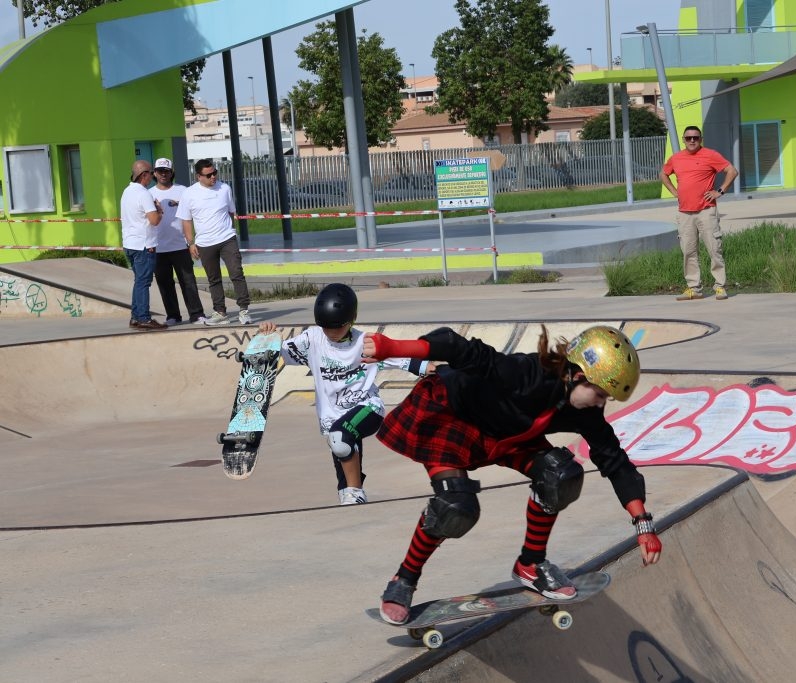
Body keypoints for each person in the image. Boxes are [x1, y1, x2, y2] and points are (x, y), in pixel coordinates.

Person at [365, 324, 662, 625]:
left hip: (509, 435)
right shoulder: (525, 374)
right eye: (599, 394)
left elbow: (615, 460)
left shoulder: (584, 410)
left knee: (560, 475)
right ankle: (404, 579)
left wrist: (643, 525)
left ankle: (530, 563)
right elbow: (458, 347)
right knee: (456, 507)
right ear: (577, 375)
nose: (600, 404)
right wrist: (391, 347)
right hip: (452, 418)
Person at [256, 284, 432, 505]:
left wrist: (434, 368)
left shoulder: (366, 343)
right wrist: (267, 337)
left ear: (351, 320)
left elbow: (404, 359)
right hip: (332, 419)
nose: (330, 332)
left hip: (368, 408)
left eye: (337, 327)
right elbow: (280, 351)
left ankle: (355, 490)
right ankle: (353, 494)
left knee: (340, 439)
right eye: (326, 327)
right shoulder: (312, 339)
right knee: (342, 465)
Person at [660, 125, 738, 302]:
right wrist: (674, 192)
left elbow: (732, 171)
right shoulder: (676, 158)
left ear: (701, 139)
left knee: (714, 249)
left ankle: (720, 287)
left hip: (706, 210)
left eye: (695, 137)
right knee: (688, 251)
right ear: (683, 140)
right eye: (688, 138)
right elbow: (663, 175)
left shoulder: (710, 155)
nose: (692, 140)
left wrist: (720, 190)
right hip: (685, 213)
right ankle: (694, 288)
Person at [177, 158, 252, 325]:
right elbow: (186, 221)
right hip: (204, 243)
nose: (213, 177)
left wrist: (231, 231)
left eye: (215, 173)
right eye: (209, 175)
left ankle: (244, 310)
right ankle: (220, 312)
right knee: (214, 279)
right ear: (199, 176)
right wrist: (191, 243)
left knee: (236, 272)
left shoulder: (224, 188)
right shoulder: (189, 193)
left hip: (227, 239)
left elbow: (231, 212)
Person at [150, 158, 208, 325]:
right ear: (154, 173)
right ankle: (173, 316)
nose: (163, 174)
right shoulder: (149, 194)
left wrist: (191, 242)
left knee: (188, 281)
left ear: (171, 173)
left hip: (180, 245)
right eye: (160, 171)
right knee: (164, 283)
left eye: (166, 171)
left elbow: (192, 214)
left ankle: (196, 314)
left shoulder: (184, 191)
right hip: (159, 247)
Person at [119, 159, 167, 331]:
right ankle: (144, 318)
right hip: (144, 245)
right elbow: (154, 221)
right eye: (151, 174)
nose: (153, 177)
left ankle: (135, 317)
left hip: (130, 244)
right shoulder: (143, 194)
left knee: (138, 281)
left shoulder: (127, 191)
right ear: (144, 175)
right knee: (143, 282)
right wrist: (159, 211)